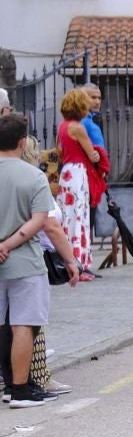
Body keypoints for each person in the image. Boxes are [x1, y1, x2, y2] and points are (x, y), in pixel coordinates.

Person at [0, 113, 56, 409]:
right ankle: (18, 388)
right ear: (23, 143)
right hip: (24, 261)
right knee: (23, 323)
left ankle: (5, 382)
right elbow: (40, 222)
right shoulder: (33, 176)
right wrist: (7, 244)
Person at [54, 89, 101, 280]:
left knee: (67, 217)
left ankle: (66, 260)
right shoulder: (78, 127)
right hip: (78, 173)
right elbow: (92, 154)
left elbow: (60, 150)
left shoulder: (62, 126)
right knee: (79, 218)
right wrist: (97, 155)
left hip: (66, 172)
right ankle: (80, 263)